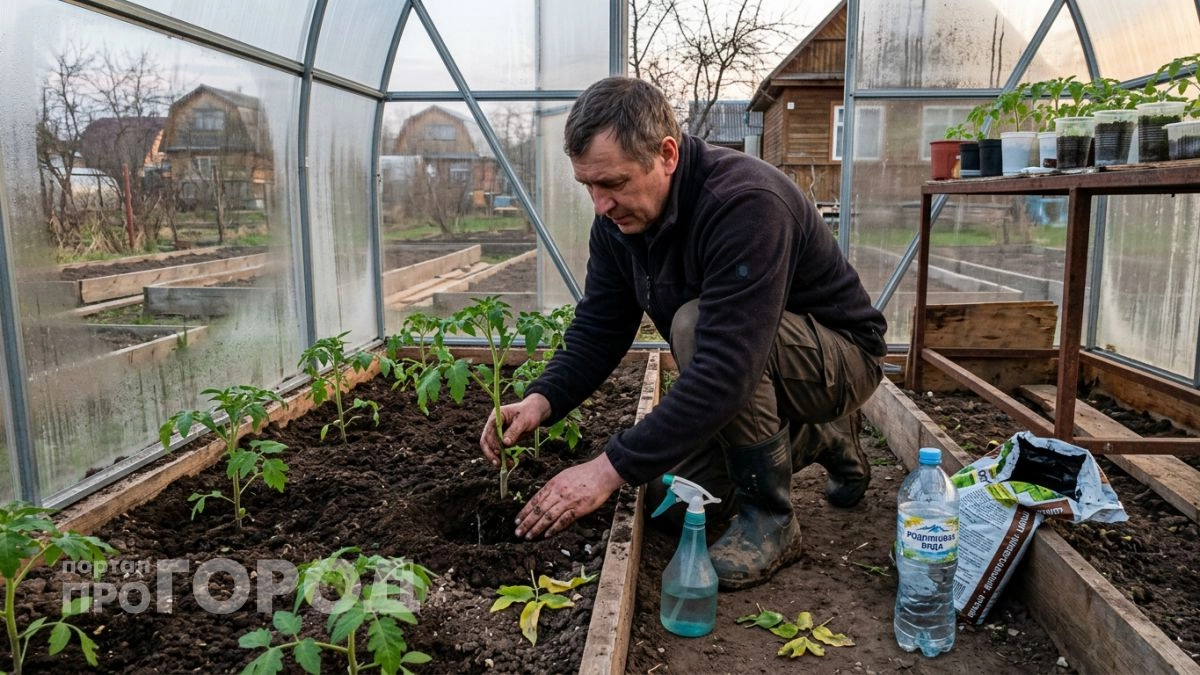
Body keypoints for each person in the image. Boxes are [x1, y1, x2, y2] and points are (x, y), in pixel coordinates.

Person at [478, 76, 887, 590]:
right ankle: (819, 435)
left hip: (840, 360)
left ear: (667, 154)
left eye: (615, 183)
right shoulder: (618, 223)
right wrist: (541, 399)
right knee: (665, 498)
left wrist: (606, 469)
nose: (601, 204)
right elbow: (601, 326)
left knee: (695, 324)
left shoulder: (745, 203)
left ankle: (772, 519)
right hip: (754, 365)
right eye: (589, 186)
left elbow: (725, 370)